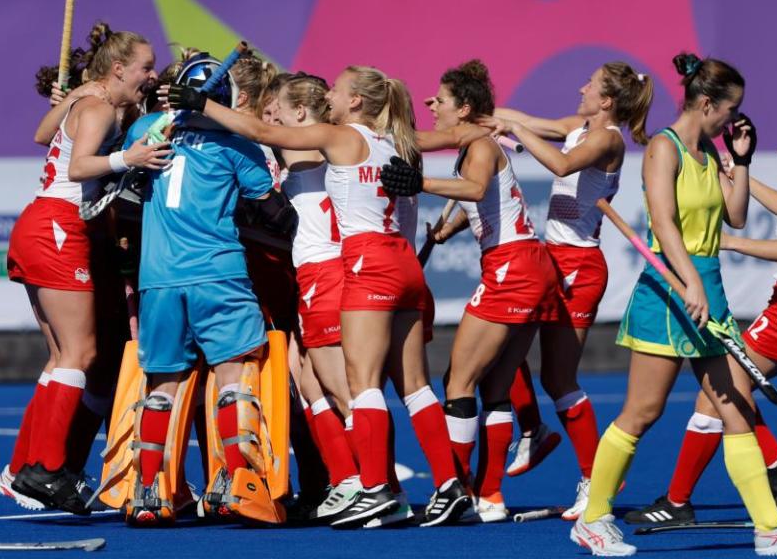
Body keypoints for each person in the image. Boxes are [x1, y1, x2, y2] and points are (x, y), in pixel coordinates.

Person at [164, 64, 481, 528]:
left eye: (338, 88)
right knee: (414, 387)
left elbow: (255, 128)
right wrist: (505, 124)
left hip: (363, 262)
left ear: (356, 101)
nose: (331, 92)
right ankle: (449, 487)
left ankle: (375, 488)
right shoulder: (398, 140)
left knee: (362, 384)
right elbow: (449, 137)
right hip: (403, 262)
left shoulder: (340, 138)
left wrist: (201, 104)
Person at [570, 53, 777, 557]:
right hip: (669, 290)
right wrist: (690, 282)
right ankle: (594, 518)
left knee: (733, 408)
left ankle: (770, 528)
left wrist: (743, 159)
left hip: (705, 289)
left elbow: (733, 218)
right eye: (730, 111)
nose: (733, 120)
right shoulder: (662, 150)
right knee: (642, 412)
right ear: (707, 102)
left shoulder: (710, 151)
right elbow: (665, 224)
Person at [625, 114, 777, 527]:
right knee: (715, 394)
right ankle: (679, 500)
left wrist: (728, 241)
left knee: (722, 387)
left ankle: (771, 462)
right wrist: (735, 169)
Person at [383, 59, 557, 523]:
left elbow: (477, 188)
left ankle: (454, 492)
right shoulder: (477, 140)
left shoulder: (479, 144)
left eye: (438, 100)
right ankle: (490, 497)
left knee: (457, 383)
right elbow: (487, 196)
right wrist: (452, 228)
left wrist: (418, 180)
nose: (430, 105)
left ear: (463, 108)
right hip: (531, 266)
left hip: (512, 268)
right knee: (495, 388)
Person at [5, 25, 164, 515]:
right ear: (118, 68)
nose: (151, 74)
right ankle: (46, 470)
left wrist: (74, 93)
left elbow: (41, 133)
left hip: (45, 225)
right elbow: (78, 167)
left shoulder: (94, 101)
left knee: (62, 357)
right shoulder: (96, 107)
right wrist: (128, 158)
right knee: (81, 352)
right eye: (144, 66)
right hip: (57, 225)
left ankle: (27, 468)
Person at [484, 61, 654, 520]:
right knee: (500, 346)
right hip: (550, 259)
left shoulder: (607, 139)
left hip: (579, 265)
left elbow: (558, 161)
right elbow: (526, 119)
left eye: (590, 84)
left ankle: (595, 481)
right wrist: (478, 113)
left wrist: (513, 132)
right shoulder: (580, 126)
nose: (580, 87)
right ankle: (534, 430)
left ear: (607, 101)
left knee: (559, 380)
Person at [121, 53, 277, 525]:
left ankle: (148, 490)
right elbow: (274, 212)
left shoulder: (146, 130)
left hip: (159, 279)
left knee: (162, 386)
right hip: (219, 274)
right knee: (233, 376)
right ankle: (235, 482)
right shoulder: (237, 146)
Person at [273, 72, 363, 521]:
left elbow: (262, 135)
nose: (272, 119)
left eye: (280, 111)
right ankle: (346, 480)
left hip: (325, 274)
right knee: (308, 383)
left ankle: (374, 484)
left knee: (343, 391)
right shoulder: (317, 146)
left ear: (302, 114)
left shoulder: (306, 146)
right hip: (315, 276)